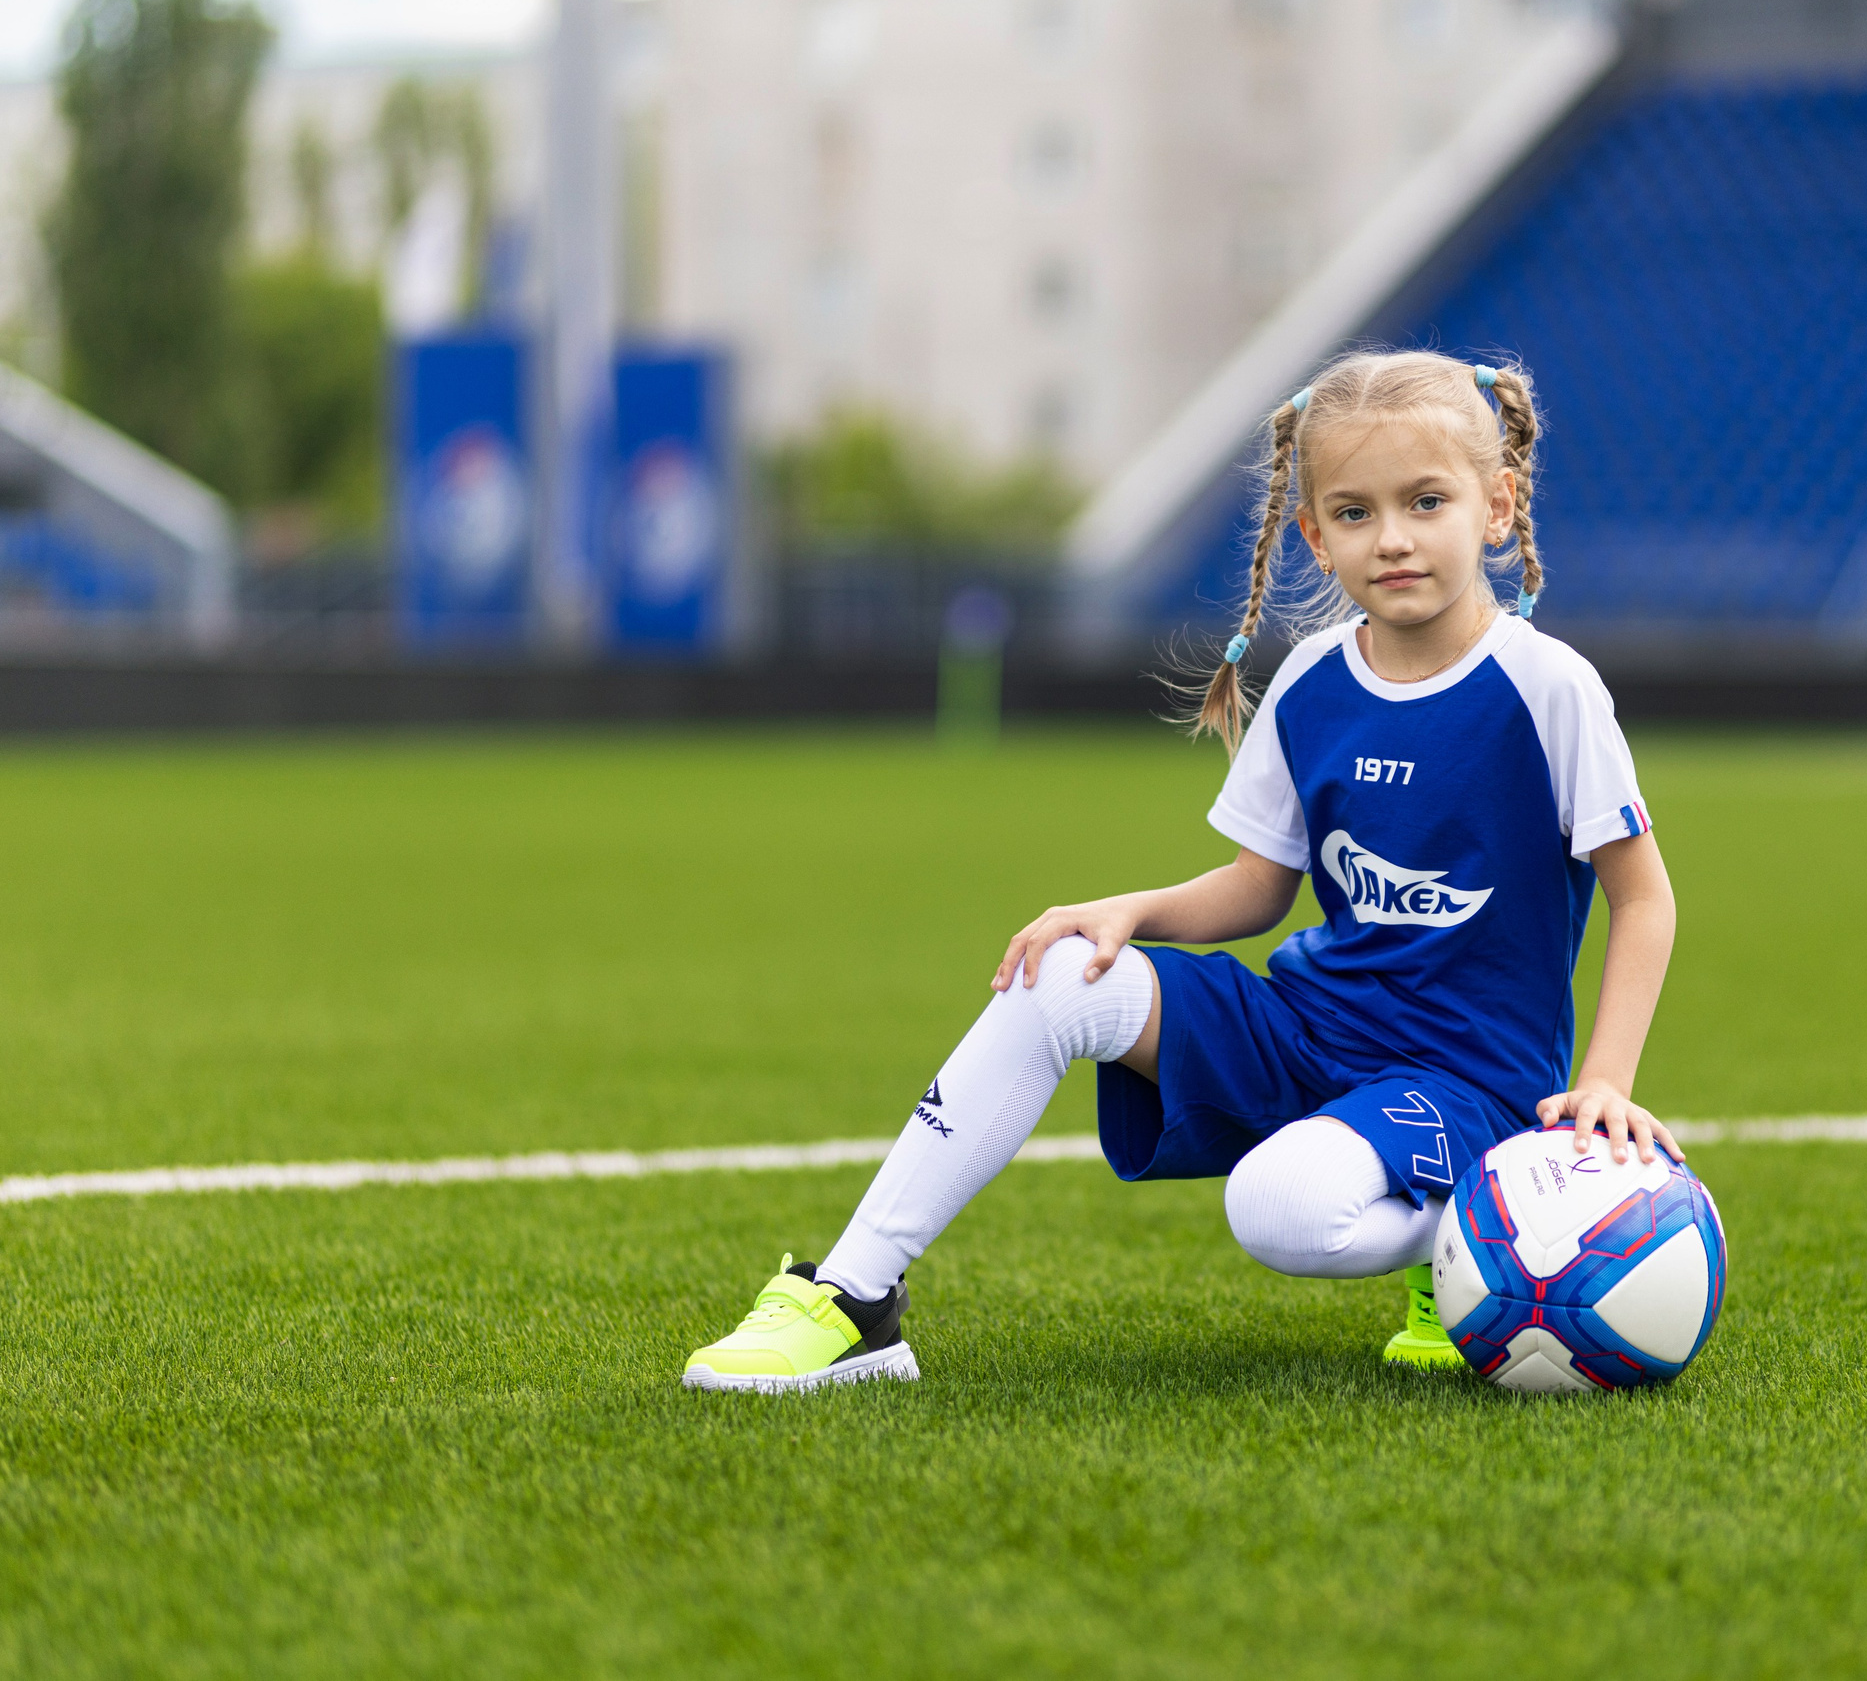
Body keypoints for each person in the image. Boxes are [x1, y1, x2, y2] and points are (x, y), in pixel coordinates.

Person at [683, 350, 1681, 1392]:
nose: (1391, 537)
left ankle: (1478, 1226)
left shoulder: (1548, 686)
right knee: (1062, 972)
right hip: (1306, 1030)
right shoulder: (1309, 679)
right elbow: (1260, 889)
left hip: (1465, 1083)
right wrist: (1127, 909)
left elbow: (1640, 897)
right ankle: (854, 1300)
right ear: (1313, 535)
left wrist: (1601, 1084)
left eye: (1425, 501)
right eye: (1352, 512)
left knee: (1275, 1207)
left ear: (1495, 505)